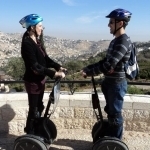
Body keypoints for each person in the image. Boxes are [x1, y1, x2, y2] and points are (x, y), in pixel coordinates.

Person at [81, 8, 132, 139]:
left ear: (120, 23)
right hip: (110, 83)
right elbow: (105, 61)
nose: (108, 25)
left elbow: (110, 65)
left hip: (116, 84)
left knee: (115, 114)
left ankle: (115, 142)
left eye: (111, 22)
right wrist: (88, 68)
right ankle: (109, 138)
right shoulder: (115, 40)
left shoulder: (123, 41)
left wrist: (91, 72)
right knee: (110, 112)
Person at [19, 14, 67, 134]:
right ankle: (30, 133)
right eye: (40, 26)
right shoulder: (27, 44)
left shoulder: (37, 41)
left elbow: (45, 59)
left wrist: (58, 66)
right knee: (34, 109)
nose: (42, 28)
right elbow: (35, 67)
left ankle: (36, 130)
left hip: (40, 80)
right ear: (32, 27)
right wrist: (54, 74)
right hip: (33, 81)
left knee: (39, 106)